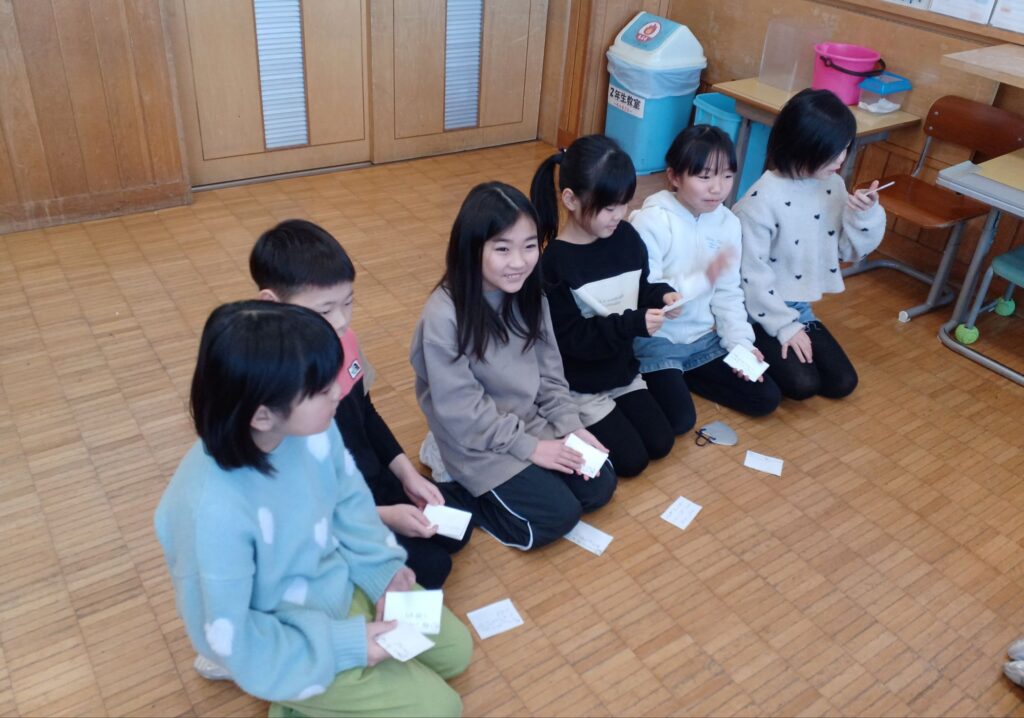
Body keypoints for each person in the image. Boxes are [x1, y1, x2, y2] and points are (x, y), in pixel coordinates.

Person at [154, 301, 471, 718]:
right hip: (291, 636)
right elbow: (231, 633)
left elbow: (351, 504)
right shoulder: (210, 512)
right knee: (441, 709)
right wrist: (347, 646)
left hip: (340, 584)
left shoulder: (313, 431)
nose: (339, 391)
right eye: (321, 390)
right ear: (262, 415)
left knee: (456, 652)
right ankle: (293, 699)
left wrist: (383, 572)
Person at [251, 220, 469, 589]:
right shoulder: (270, 386)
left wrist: (408, 475)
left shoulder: (345, 340)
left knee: (456, 527)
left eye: (348, 302)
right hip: (329, 508)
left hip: (369, 479)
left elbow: (366, 414)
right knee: (432, 568)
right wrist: (383, 516)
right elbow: (298, 500)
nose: (340, 321)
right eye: (325, 310)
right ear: (272, 304)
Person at [410, 181, 616, 551]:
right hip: (474, 440)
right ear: (472, 248)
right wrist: (531, 449)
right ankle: (449, 470)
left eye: (529, 246)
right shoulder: (443, 316)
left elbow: (551, 375)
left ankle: (509, 470)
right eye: (502, 249)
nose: (519, 262)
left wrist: (570, 426)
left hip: (526, 421)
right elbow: (463, 411)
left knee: (600, 485)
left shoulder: (530, 295)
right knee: (558, 517)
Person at [530, 134, 680, 477]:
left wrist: (662, 296)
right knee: (631, 461)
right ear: (570, 199)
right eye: (609, 208)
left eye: (624, 204)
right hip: (580, 385)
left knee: (661, 442)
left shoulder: (625, 237)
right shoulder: (555, 263)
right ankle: (559, 425)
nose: (619, 215)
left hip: (622, 372)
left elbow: (640, 287)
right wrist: (633, 324)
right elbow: (572, 339)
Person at [733, 89, 885, 400]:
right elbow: (752, 278)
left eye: (845, 149)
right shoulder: (760, 201)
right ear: (803, 145)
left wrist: (864, 216)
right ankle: (743, 346)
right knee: (803, 385)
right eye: (832, 152)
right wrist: (784, 327)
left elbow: (848, 251)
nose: (840, 160)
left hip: (798, 308)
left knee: (842, 383)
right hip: (753, 309)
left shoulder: (832, 185)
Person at [629, 125, 781, 433]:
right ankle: (662, 376)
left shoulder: (728, 224)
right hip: (658, 341)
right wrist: (702, 279)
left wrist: (740, 344)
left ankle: (683, 376)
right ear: (674, 176)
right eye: (705, 176)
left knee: (766, 397)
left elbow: (728, 293)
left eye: (727, 176)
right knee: (680, 421)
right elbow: (647, 293)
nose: (717, 188)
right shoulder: (651, 220)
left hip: (702, 341)